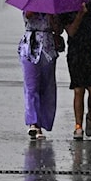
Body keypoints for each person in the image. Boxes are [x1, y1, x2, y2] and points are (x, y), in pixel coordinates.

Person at [60, 1, 91, 140]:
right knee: (78, 90)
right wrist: (80, 14)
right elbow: (71, 31)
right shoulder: (65, 10)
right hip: (76, 54)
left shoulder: (89, 5)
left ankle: (90, 114)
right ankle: (78, 126)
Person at [18, 11, 64, 140]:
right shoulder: (31, 4)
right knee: (31, 87)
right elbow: (27, 15)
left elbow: (59, 30)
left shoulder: (53, 9)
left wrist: (52, 17)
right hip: (30, 47)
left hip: (48, 49)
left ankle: (42, 124)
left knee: (46, 87)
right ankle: (34, 123)